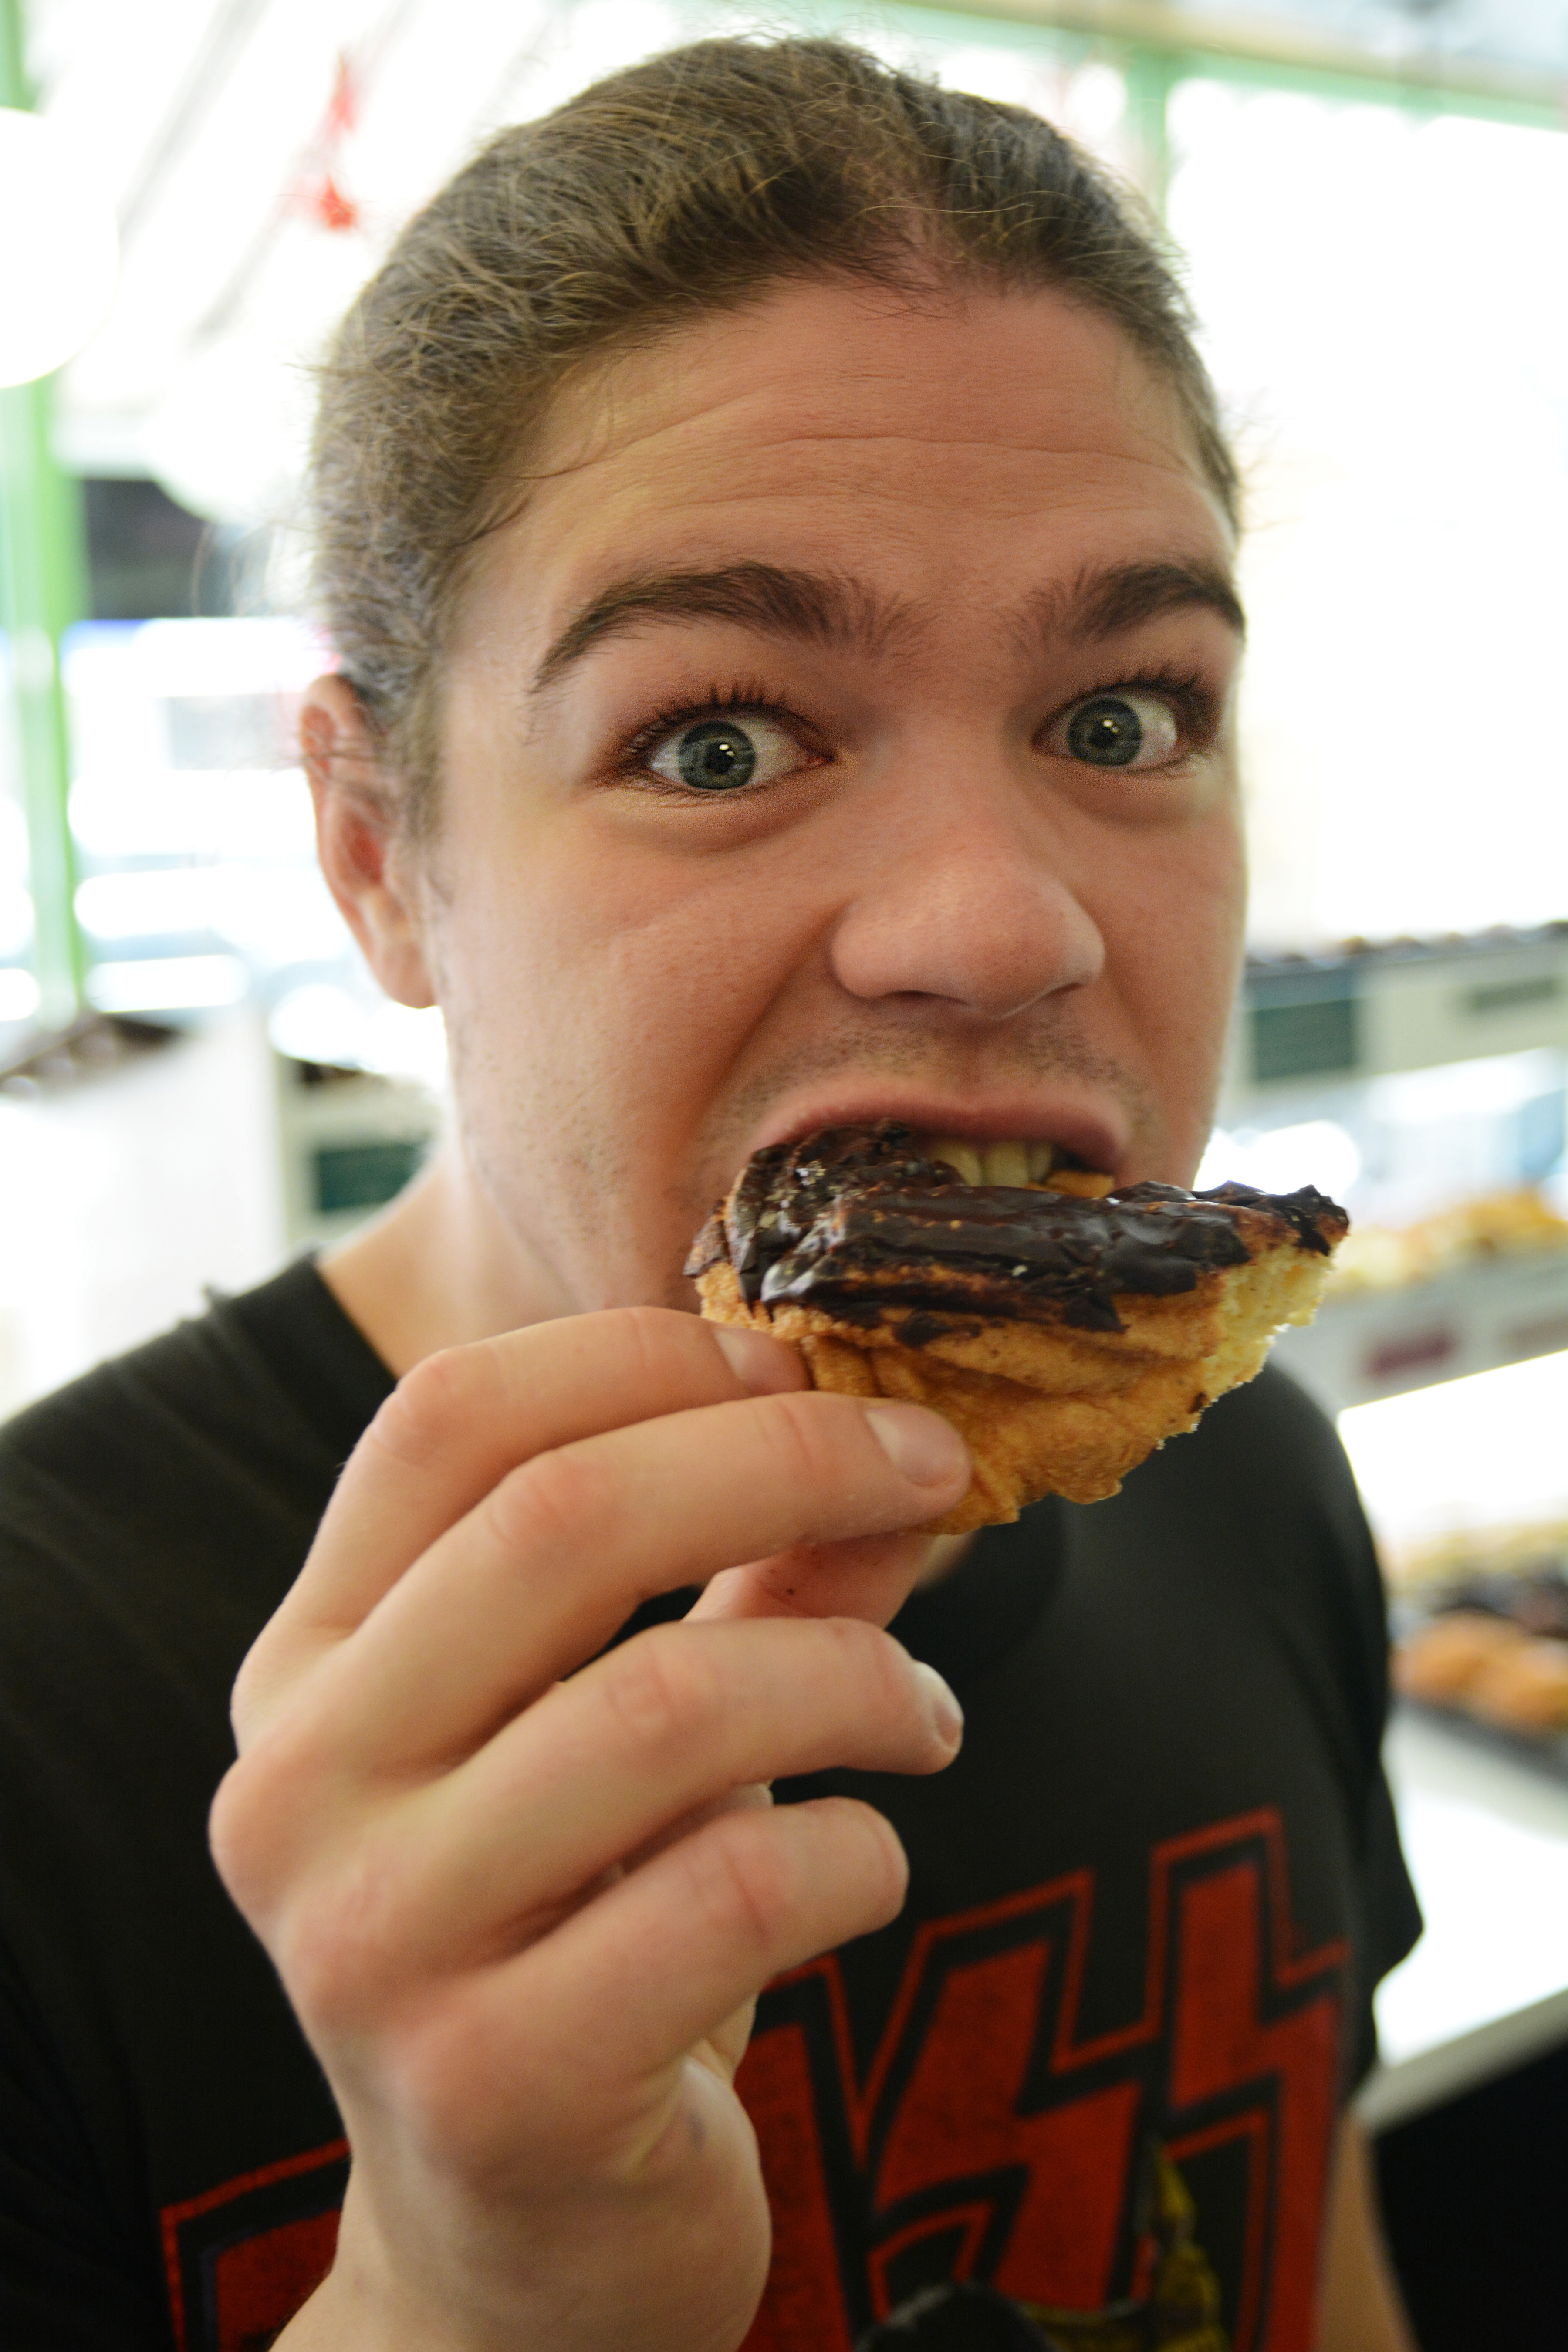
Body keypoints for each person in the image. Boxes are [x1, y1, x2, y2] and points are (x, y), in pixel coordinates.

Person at [0, 37, 1422, 2352]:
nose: (1000, 922)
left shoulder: (1252, 1492)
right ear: (377, 855)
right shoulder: (41, 1712)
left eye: (1122, 717)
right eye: (719, 738)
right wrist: (463, 2294)